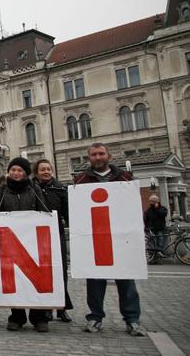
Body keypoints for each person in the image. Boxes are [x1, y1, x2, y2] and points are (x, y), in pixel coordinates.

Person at [74, 142, 147, 337]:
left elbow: (132, 208)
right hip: (95, 238)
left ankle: (132, 319)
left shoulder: (124, 177)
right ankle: (95, 317)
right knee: (95, 281)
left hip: (120, 238)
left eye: (101, 154)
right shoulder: (81, 180)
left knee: (126, 281)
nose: (98, 157)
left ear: (109, 156)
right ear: (89, 158)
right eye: (94, 155)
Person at [0, 157, 51, 333]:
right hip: (10, 243)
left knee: (35, 280)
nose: (16, 173)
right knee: (13, 279)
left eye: (20, 170)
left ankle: (38, 317)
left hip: (32, 242)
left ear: (25, 173)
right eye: (13, 170)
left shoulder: (34, 190)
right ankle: (17, 316)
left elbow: (44, 213)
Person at [32, 159, 73, 322]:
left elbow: (68, 212)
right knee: (43, 272)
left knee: (60, 272)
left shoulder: (60, 188)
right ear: (36, 172)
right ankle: (47, 308)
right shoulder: (31, 189)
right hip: (38, 236)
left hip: (56, 233)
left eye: (48, 169)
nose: (46, 172)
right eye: (42, 169)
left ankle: (62, 308)